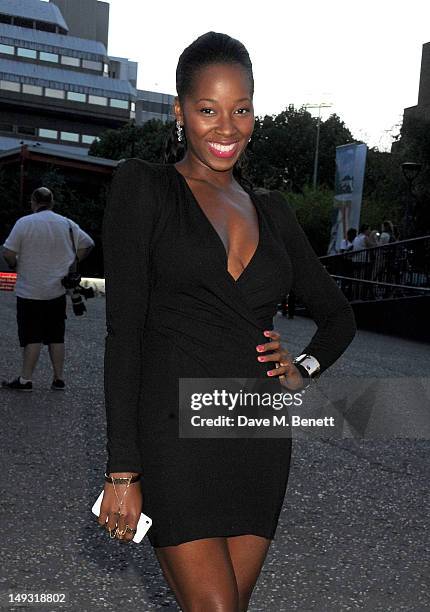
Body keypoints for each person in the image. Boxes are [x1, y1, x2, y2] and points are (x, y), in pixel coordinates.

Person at [99, 31, 357, 611]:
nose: (226, 127)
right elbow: (124, 334)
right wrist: (122, 470)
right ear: (179, 112)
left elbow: (338, 316)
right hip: (173, 430)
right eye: (208, 109)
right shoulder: (145, 187)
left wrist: (304, 368)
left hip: (258, 434)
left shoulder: (273, 210)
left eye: (240, 110)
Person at [1, 186, 94, 391]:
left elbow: (8, 252)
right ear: (52, 202)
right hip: (57, 291)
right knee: (56, 335)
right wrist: (73, 259)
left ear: (34, 202)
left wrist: (15, 265)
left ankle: (25, 380)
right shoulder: (67, 224)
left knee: (32, 335)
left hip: (30, 290)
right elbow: (88, 244)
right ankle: (58, 378)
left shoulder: (24, 223)